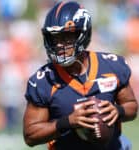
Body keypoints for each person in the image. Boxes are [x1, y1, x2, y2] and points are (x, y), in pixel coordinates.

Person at [23, 1, 138, 150]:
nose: (59, 45)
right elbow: (30, 135)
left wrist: (118, 111)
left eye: (65, 37)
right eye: (54, 38)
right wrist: (68, 122)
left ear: (83, 34)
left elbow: (132, 107)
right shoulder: (43, 81)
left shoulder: (112, 66)